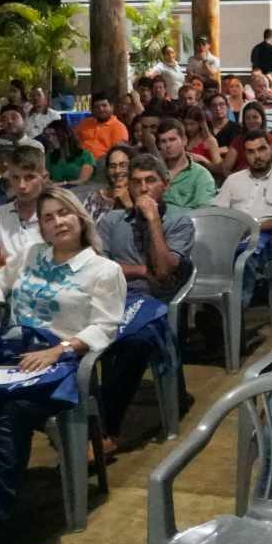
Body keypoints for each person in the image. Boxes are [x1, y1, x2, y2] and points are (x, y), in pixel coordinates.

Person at [0, 187, 127, 520]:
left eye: (64, 213)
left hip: (64, 367)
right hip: (13, 356)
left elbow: (105, 327)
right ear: (41, 227)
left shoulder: (102, 270)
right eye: (48, 217)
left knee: (7, 412)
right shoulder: (33, 254)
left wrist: (60, 349)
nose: (57, 222)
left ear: (80, 217)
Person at [93, 155, 193, 452]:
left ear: (165, 184)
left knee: (136, 341)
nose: (143, 188)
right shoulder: (112, 221)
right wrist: (140, 271)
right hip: (113, 297)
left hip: (155, 302)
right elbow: (97, 267)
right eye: (136, 182)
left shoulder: (179, 221)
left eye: (151, 181)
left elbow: (163, 272)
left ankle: (106, 430)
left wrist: (153, 220)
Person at [215, 128, 272, 238]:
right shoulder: (233, 180)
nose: (257, 156)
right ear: (245, 154)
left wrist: (254, 227)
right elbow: (218, 213)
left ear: (271, 149)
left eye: (262, 149)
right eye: (251, 151)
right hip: (230, 235)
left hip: (263, 235)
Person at [0, 145, 49, 278]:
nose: (21, 185)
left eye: (29, 177)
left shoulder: (57, 215)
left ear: (44, 177)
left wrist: (9, 264)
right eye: (15, 177)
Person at [156, 119, 217, 209]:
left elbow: (204, 211)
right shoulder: (154, 172)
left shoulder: (201, 175)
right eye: (163, 141)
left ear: (184, 140)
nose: (168, 145)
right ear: (159, 145)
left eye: (172, 140)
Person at [76, 93, 128, 158]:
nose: (101, 109)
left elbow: (118, 154)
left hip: (103, 160)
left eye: (104, 105)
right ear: (93, 110)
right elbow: (74, 141)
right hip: (80, 158)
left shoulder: (119, 127)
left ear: (111, 107)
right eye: (97, 107)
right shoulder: (85, 123)